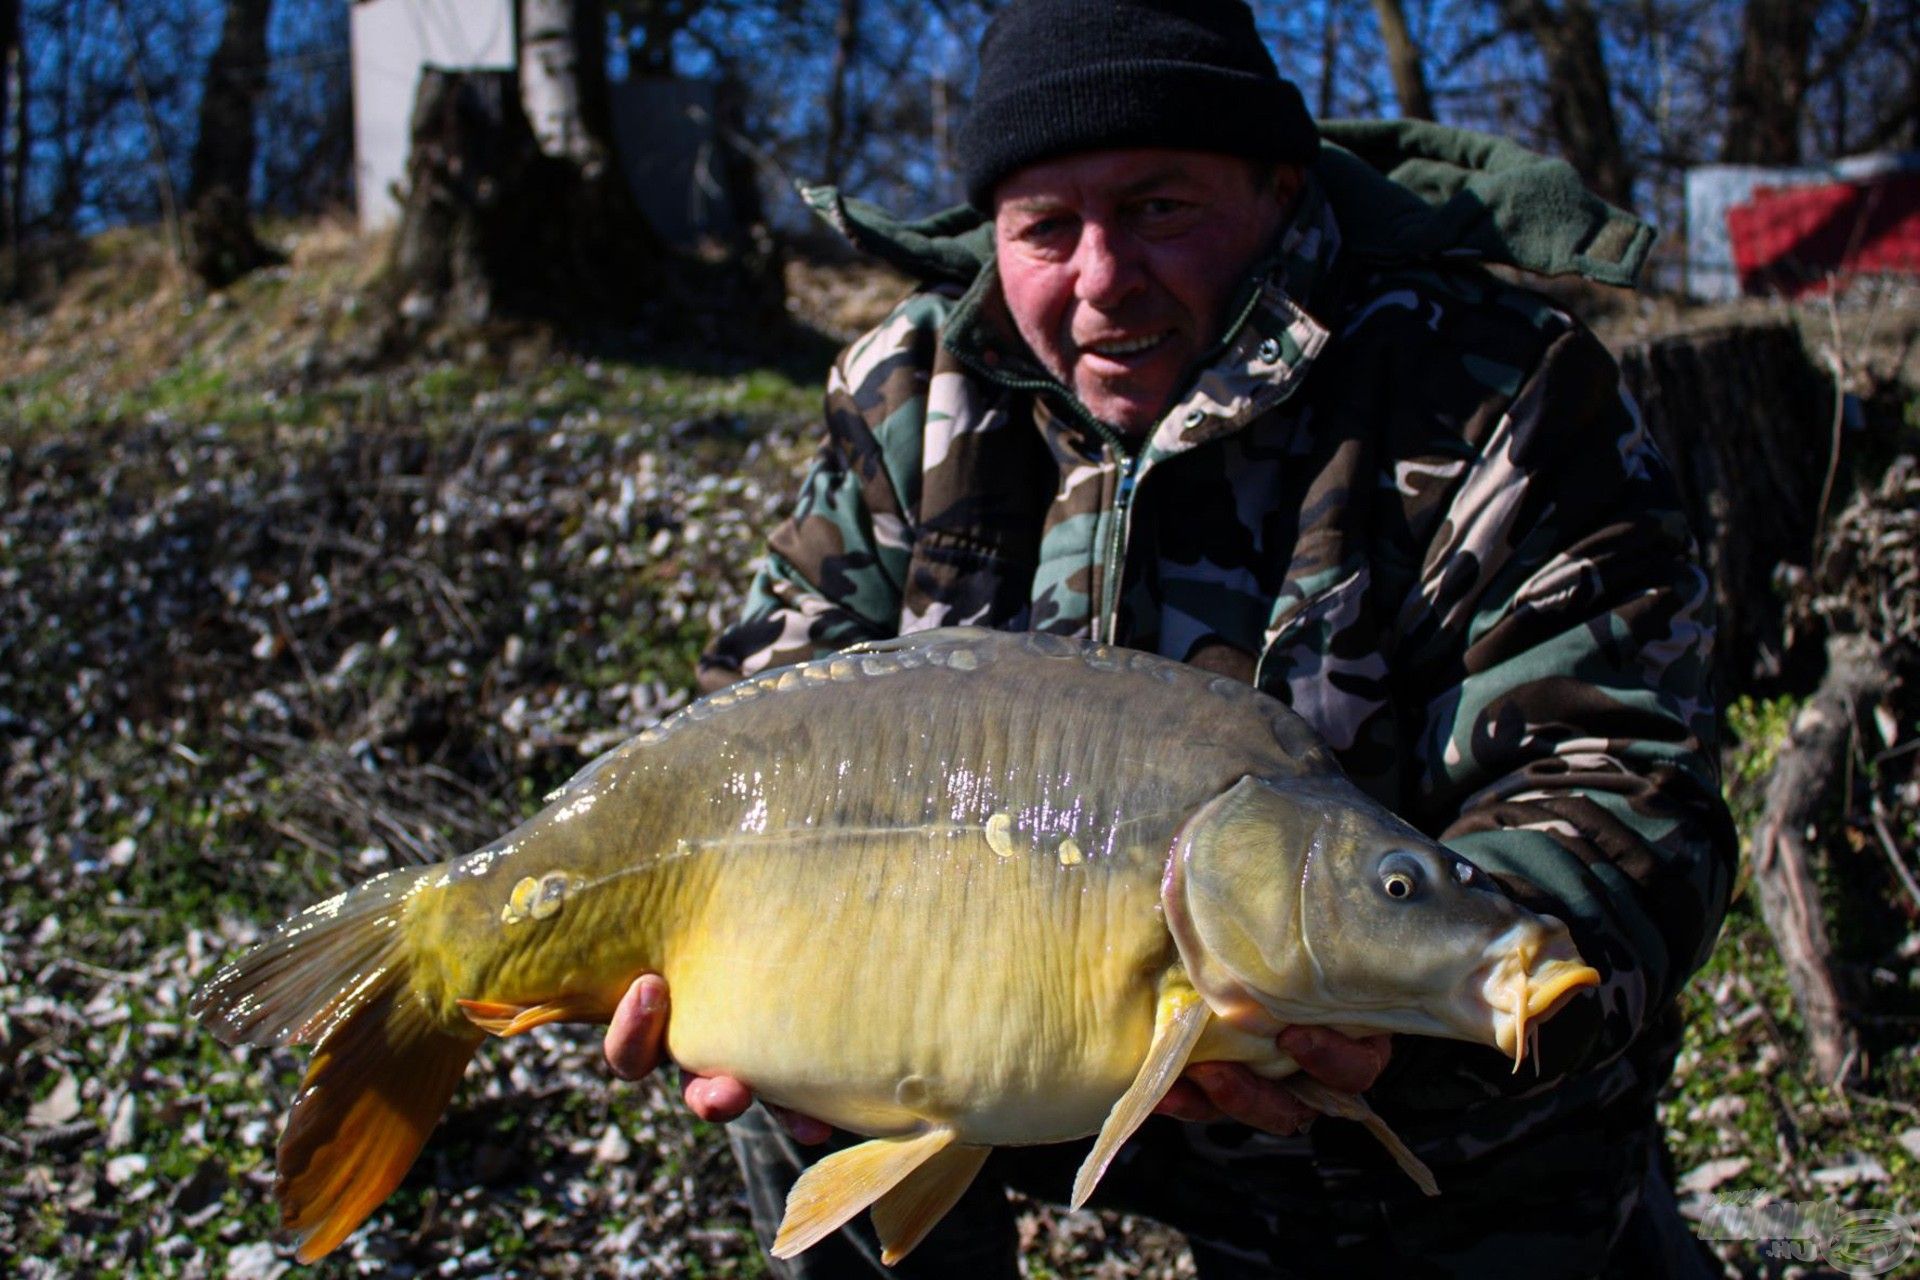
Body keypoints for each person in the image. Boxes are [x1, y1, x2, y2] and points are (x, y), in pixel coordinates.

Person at [601, 1, 1736, 1274]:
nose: (1101, 279)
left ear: (1276, 189)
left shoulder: (1496, 393)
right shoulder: (912, 390)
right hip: (1006, 1040)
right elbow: (764, 700)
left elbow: (1629, 782)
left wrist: (1418, 1019)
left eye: (1159, 209)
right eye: (1044, 228)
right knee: (793, 1075)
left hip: (1386, 1111)